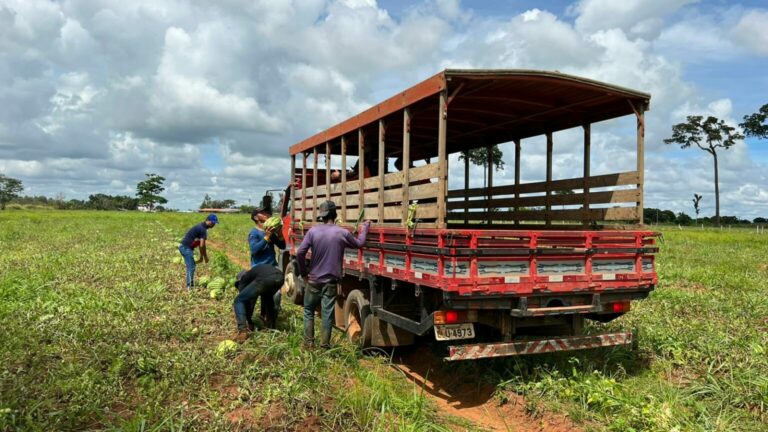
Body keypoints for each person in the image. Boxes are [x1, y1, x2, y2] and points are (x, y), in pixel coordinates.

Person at [297, 201, 370, 349]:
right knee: (327, 313)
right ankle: (325, 345)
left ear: (321, 216)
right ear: (335, 215)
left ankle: (308, 343)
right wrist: (366, 227)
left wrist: (304, 273)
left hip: (313, 280)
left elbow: (300, 253)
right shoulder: (342, 233)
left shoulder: (313, 232)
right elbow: (360, 243)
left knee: (308, 311)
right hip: (330, 281)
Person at [248, 206, 286, 319]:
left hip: (272, 267)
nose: (266, 213)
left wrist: (279, 234)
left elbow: (282, 246)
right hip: (259, 268)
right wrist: (266, 237)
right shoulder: (254, 233)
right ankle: (260, 316)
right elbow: (254, 251)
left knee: (276, 294)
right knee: (263, 294)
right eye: (262, 212)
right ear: (256, 217)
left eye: (266, 212)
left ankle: (271, 318)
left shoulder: (270, 231)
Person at [232, 264, 284, 343]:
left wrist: (249, 321)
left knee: (238, 301)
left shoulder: (244, 279)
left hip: (266, 278)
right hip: (280, 278)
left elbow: (247, 302)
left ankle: (242, 330)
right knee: (268, 298)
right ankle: (270, 327)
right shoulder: (255, 272)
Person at [178, 214, 218, 290]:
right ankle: (189, 287)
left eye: (215, 223)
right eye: (213, 223)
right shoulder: (203, 229)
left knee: (191, 266)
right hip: (186, 248)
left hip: (185, 247)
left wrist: (202, 257)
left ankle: (190, 285)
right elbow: (202, 245)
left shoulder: (201, 227)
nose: (214, 225)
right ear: (208, 220)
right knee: (191, 267)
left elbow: (201, 244)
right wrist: (204, 257)